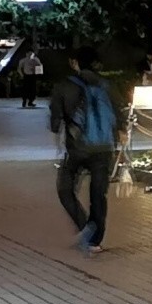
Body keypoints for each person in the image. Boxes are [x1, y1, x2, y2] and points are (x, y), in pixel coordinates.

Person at [51, 46, 120, 255]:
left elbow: (56, 120)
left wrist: (59, 133)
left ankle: (85, 227)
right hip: (104, 147)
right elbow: (119, 113)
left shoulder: (65, 86)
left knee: (65, 188)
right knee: (98, 195)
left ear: (75, 63)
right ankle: (95, 241)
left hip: (78, 148)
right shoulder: (108, 85)